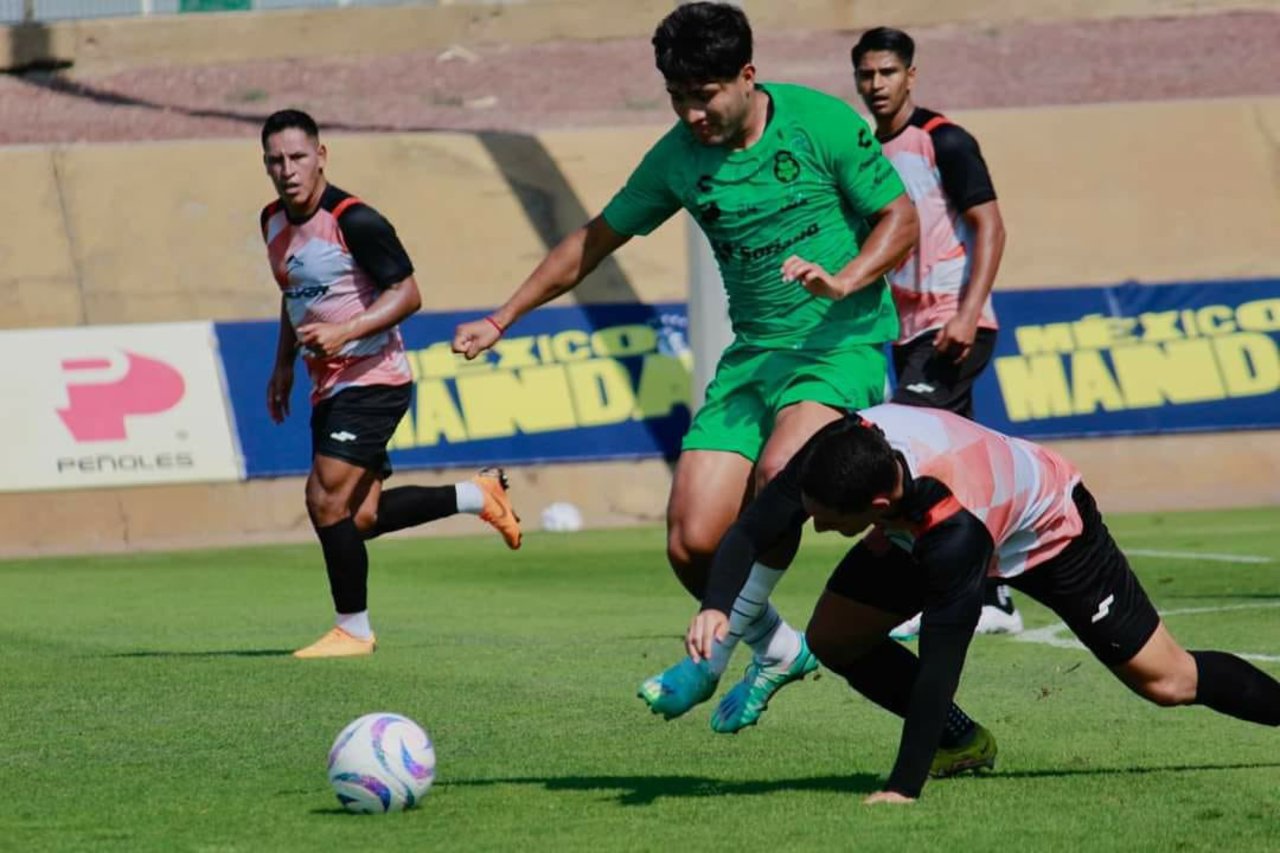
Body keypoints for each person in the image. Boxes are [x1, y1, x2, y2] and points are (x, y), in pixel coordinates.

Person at [452, 2, 919, 732]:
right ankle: (778, 648)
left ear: (747, 76)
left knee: (781, 473)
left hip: (839, 344)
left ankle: (711, 654)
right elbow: (592, 242)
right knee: (692, 540)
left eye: (704, 96)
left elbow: (901, 219)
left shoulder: (820, 124)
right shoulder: (676, 158)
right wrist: (502, 317)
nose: (692, 113)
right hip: (752, 360)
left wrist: (846, 278)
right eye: (677, 97)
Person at [687, 404, 1280, 803]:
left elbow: (940, 664)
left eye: (828, 519)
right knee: (833, 638)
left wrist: (902, 787)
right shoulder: (837, 450)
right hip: (922, 517)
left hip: (1052, 533)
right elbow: (753, 529)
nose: (816, 527)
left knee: (1168, 681)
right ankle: (961, 742)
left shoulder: (955, 535)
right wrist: (716, 605)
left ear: (876, 507)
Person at [259, 109, 522, 660]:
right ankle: (478, 495)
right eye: (276, 160)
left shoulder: (355, 220)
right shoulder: (271, 221)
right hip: (328, 384)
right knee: (360, 518)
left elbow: (408, 294)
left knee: (323, 500)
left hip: (374, 379)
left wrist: (346, 330)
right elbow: (294, 293)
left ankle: (353, 630)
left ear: (321, 156)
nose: (288, 170)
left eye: (298, 157)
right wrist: (282, 362)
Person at [851, 26, 1021, 637]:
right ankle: (992, 596)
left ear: (911, 76)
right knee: (958, 466)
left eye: (888, 72)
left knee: (900, 446)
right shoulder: (866, 151)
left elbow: (990, 225)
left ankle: (930, 592)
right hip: (905, 331)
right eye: (867, 74)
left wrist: (968, 313)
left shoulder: (943, 139)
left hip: (951, 323)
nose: (877, 84)